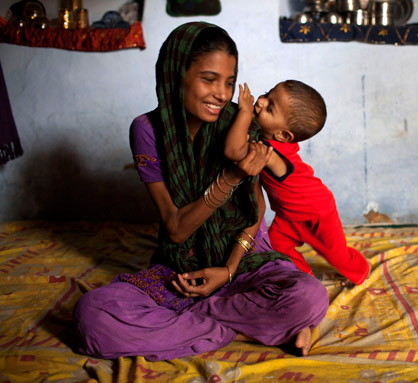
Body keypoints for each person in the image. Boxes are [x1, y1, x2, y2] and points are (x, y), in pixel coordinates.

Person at [73, 22, 329, 361]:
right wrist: (230, 176)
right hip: (182, 265)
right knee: (93, 316)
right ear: (176, 74)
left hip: (245, 257)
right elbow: (176, 229)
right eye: (209, 79)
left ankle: (195, 320)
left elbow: (255, 212)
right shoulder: (147, 130)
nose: (222, 94)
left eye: (229, 82)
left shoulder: (240, 124)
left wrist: (229, 270)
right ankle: (246, 324)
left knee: (310, 296)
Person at [224, 80, 370, 286]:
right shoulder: (262, 136)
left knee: (336, 254)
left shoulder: (271, 153)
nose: (261, 102)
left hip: (318, 211)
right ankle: (305, 277)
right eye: (267, 94)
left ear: (283, 135)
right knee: (277, 247)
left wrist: (245, 111)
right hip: (287, 216)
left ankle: (361, 269)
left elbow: (237, 150)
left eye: (270, 107)